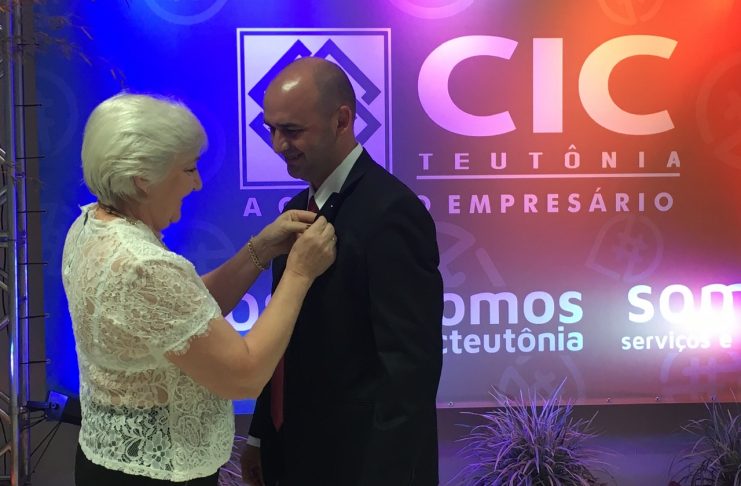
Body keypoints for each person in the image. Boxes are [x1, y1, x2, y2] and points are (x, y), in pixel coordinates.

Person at [62, 93, 336, 486]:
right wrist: (299, 273)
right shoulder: (143, 266)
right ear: (143, 179)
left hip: (107, 462)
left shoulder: (90, 225)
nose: (197, 182)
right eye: (189, 169)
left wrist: (260, 249)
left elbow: (181, 316)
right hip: (156, 477)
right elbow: (244, 376)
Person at [240, 57, 443, 485]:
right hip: (290, 453)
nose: (278, 145)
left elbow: (409, 371)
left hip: (360, 464)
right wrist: (260, 435)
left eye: (292, 130)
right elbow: (284, 337)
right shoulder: (295, 211)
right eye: (271, 129)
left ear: (342, 120)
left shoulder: (391, 211)